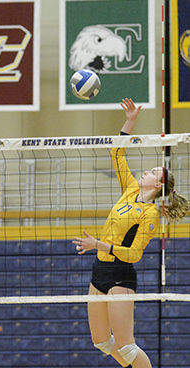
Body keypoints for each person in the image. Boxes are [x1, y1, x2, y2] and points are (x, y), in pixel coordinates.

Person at [72, 98, 189, 368]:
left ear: (158, 184)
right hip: (99, 271)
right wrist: (130, 122)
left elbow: (134, 253)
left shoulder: (149, 214)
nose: (144, 171)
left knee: (125, 345)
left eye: (150, 171)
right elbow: (116, 153)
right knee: (101, 341)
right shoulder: (130, 189)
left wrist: (98, 243)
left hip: (120, 276)